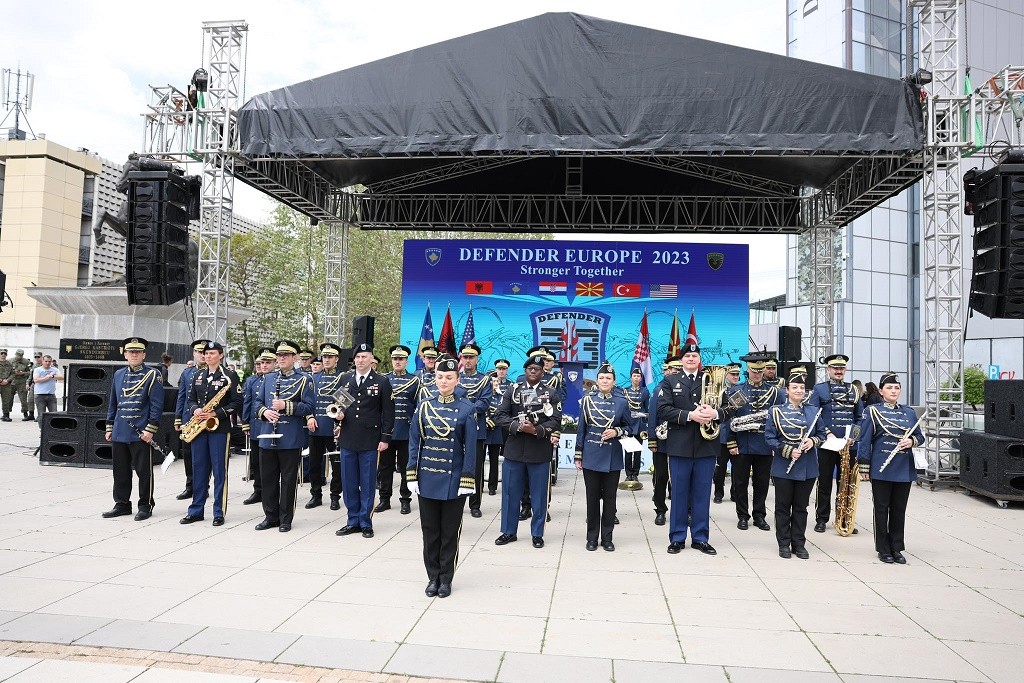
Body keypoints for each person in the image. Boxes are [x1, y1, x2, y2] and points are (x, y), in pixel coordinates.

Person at [407, 357, 477, 598]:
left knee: (449, 532)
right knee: (430, 532)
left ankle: (446, 579)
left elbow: (471, 450)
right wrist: (411, 474)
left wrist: (467, 479)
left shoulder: (467, 409)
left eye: (449, 377)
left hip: (453, 480)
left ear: (457, 380)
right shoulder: (424, 406)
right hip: (427, 477)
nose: (444, 381)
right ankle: (432, 577)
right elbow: (415, 441)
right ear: (434, 379)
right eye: (440, 377)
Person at [657, 343, 731, 555]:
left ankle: (700, 538)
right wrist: (691, 415)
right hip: (679, 447)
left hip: (706, 446)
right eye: (687, 356)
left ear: (699, 359)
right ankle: (677, 537)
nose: (691, 359)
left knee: (701, 494)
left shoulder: (712, 380)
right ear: (681, 360)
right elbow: (663, 410)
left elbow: (728, 408)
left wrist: (714, 414)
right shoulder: (670, 381)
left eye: (694, 355)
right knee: (679, 494)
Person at [494, 355, 561, 548]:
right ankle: (508, 531)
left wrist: (537, 430)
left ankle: (537, 534)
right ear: (525, 370)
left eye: (537, 369)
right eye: (530, 368)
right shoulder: (513, 390)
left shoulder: (550, 392)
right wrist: (516, 426)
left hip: (539, 451)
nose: (533, 371)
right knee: (510, 493)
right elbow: (500, 415)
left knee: (539, 495)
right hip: (514, 451)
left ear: (542, 372)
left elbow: (556, 419)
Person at [857, 372, 925, 564]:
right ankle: (883, 548)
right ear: (881, 391)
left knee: (899, 509)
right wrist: (864, 465)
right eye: (889, 388)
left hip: (903, 467)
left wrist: (911, 441)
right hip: (882, 466)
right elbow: (865, 440)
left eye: (896, 388)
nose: (893, 391)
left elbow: (920, 436)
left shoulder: (909, 412)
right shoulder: (872, 411)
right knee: (881, 508)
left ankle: (897, 547)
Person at [766, 367, 827, 559]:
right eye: (795, 387)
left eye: (802, 387)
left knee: (801, 507)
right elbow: (769, 438)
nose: (799, 390)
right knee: (783, 507)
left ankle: (799, 543)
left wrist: (813, 441)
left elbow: (822, 435)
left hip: (807, 468)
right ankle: (783, 543)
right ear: (787, 390)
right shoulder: (776, 411)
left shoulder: (814, 411)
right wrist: (788, 450)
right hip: (784, 467)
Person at [335, 342, 394, 539]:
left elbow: (388, 413)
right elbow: (337, 405)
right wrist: (338, 415)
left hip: (371, 439)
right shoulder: (345, 379)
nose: (361, 360)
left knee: (367, 483)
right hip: (348, 437)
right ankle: (352, 521)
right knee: (349, 482)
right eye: (358, 357)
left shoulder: (381, 381)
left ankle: (365, 522)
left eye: (364, 357)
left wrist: (385, 438)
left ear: (371, 359)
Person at [255, 340, 314, 532]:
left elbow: (309, 407)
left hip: (289, 437)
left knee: (288, 481)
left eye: (285, 355)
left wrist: (286, 406)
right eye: (279, 355)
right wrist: (264, 412)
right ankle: (270, 516)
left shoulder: (305, 379)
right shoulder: (268, 378)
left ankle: (285, 518)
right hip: (266, 435)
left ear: (295, 358)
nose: (281, 358)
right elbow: (256, 403)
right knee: (268, 479)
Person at [181, 341, 242, 526]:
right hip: (199, 428)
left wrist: (216, 413)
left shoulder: (230, 376)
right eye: (205, 353)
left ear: (221, 355)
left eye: (212, 353)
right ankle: (196, 510)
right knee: (198, 469)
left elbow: (237, 402)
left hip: (219, 429)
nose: (207, 356)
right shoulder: (197, 374)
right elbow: (189, 399)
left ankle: (218, 512)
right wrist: (195, 410)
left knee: (219, 471)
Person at [102, 338, 164, 521]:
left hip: (141, 432)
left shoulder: (153, 374)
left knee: (144, 472)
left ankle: (145, 505)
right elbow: (113, 403)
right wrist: (110, 426)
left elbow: (156, 405)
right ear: (125, 354)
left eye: (138, 352)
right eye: (131, 352)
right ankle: (122, 504)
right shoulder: (118, 374)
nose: (134, 355)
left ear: (144, 354)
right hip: (120, 430)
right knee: (120, 471)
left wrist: (150, 429)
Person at [721, 352, 784, 532]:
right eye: (753, 371)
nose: (757, 374)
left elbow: (779, 419)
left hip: (765, 443)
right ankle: (742, 515)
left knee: (761, 482)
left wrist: (776, 444)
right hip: (742, 443)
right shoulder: (737, 391)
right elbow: (729, 419)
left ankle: (759, 515)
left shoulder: (774, 393)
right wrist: (731, 443)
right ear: (747, 370)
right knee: (740, 482)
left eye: (760, 371)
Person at [575, 363, 631, 551]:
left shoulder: (622, 402)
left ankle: (607, 538)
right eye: (601, 378)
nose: (605, 381)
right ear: (597, 381)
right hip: (591, 454)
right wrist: (578, 454)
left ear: (614, 381)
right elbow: (581, 429)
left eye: (608, 378)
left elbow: (630, 428)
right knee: (592, 499)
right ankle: (592, 537)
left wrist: (616, 431)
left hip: (612, 457)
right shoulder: (587, 400)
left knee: (610, 499)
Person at [808, 354, 863, 533]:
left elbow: (860, 417)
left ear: (845, 370)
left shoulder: (854, 390)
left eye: (842, 368)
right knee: (824, 482)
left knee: (846, 482)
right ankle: (822, 519)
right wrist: (827, 433)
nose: (838, 371)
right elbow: (813, 415)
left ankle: (845, 519)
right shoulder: (819, 389)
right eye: (835, 368)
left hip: (849, 444)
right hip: (828, 443)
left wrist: (853, 436)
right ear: (828, 370)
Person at [377, 344, 420, 515]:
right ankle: (384, 499)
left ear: (406, 361)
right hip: (387, 432)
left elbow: (418, 405)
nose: (397, 361)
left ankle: (405, 499)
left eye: (401, 359)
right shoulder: (383, 379)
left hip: (406, 431)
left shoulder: (415, 380)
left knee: (405, 467)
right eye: (395, 359)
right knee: (385, 467)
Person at [306, 343, 345, 510]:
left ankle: (335, 496)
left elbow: (344, 404)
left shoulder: (343, 377)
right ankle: (316, 495)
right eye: (324, 357)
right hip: (316, 427)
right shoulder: (313, 378)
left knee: (337, 464)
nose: (326, 359)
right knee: (314, 464)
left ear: (337, 359)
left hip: (333, 428)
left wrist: (341, 424)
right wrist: (309, 417)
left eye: (330, 357)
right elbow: (307, 402)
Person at [457, 343, 493, 518]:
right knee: (455, 465)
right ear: (461, 358)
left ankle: (475, 504)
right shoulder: (455, 378)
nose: (468, 360)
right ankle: (456, 500)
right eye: (465, 357)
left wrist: (463, 408)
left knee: (476, 468)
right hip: (455, 429)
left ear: (477, 359)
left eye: (471, 357)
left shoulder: (485, 380)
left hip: (476, 430)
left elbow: (484, 403)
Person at [174, 340, 210, 501]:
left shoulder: (214, 372)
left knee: (204, 455)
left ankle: (203, 486)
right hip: (189, 420)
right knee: (188, 454)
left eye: (204, 352)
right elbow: (181, 397)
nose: (202, 355)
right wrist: (178, 419)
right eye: (198, 352)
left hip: (207, 419)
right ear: (194, 353)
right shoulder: (187, 373)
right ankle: (190, 486)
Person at [241, 347, 275, 506]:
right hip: (256, 425)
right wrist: (245, 423)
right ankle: (258, 490)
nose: (263, 366)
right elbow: (247, 403)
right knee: (256, 461)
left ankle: (271, 491)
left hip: (271, 425)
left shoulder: (276, 379)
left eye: (267, 362)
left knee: (270, 462)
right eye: (261, 363)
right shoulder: (251, 381)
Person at [649, 357, 680, 526]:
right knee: (661, 477)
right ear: (665, 371)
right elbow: (653, 414)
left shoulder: (685, 388)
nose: (674, 373)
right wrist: (652, 440)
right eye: (671, 370)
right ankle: (660, 509)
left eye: (677, 370)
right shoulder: (659, 389)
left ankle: (682, 510)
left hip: (681, 440)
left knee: (680, 478)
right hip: (662, 441)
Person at [713, 362, 743, 503]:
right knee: (720, 468)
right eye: (733, 374)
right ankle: (718, 493)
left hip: (738, 435)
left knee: (738, 469)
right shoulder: (720, 390)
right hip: (722, 435)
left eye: (737, 374)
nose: (735, 377)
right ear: (726, 375)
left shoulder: (742, 390)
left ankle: (735, 493)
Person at [485, 359, 512, 496]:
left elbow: (507, 408)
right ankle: (478, 485)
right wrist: (487, 420)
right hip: (485, 428)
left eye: (503, 369)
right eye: (499, 369)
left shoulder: (510, 386)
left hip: (499, 428)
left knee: (495, 458)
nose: (501, 371)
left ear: (506, 370)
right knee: (479, 459)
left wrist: (496, 421)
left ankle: (492, 486)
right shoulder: (486, 389)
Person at [621, 368, 650, 488]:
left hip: (639, 425)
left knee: (637, 451)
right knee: (628, 451)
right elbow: (622, 409)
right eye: (634, 376)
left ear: (641, 378)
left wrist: (641, 415)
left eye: (638, 376)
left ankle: (635, 473)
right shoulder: (625, 391)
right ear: (631, 377)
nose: (636, 378)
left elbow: (647, 410)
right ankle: (628, 474)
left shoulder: (645, 391)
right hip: (628, 424)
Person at [32, 355, 63, 422]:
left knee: (54, 413)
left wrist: (52, 376)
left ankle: (53, 429)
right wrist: (46, 377)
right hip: (40, 395)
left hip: (51, 395)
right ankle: (42, 430)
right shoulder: (38, 370)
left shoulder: (54, 370)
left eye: (49, 361)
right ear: (42, 361)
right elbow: (36, 380)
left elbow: (62, 377)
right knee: (41, 415)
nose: (47, 363)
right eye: (46, 361)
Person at [10, 350, 33, 421]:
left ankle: (25, 413)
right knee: (9, 399)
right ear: (15, 354)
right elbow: (6, 371)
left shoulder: (26, 362)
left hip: (22, 382)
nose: (19, 357)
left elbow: (30, 372)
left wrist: (23, 373)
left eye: (21, 355)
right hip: (12, 382)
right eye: (18, 355)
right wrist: (14, 373)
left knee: (23, 399)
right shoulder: (10, 361)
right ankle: (6, 413)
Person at [0, 349, 14, 421]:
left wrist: (8, 380)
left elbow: (12, 374)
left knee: (6, 400)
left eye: (4, 354)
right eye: (1, 353)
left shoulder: (9, 364)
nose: (3, 355)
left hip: (6, 385)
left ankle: (6, 415)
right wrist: (1, 380)